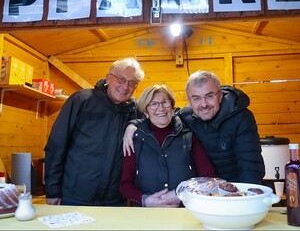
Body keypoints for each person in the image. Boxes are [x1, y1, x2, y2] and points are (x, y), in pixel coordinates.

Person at [123, 70, 265, 185]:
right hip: (204, 191)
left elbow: (250, 165)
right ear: (189, 101)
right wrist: (133, 125)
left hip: (237, 188)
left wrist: (246, 197)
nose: (203, 104)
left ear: (220, 95)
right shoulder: (186, 116)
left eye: (209, 96)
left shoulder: (241, 117)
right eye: (196, 98)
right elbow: (160, 117)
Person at [44, 57, 145, 206]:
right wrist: (52, 190)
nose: (125, 87)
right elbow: (56, 145)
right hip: (76, 196)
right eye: (121, 79)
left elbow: (161, 116)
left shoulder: (134, 111)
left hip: (115, 200)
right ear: (109, 78)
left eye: (132, 83)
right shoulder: (81, 100)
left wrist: (134, 123)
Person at [120, 84, 216, 207]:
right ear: (146, 111)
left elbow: (209, 178)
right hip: (146, 215)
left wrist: (182, 194)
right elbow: (125, 185)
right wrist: (146, 200)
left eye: (165, 102)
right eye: (154, 104)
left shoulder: (189, 136)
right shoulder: (135, 139)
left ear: (172, 106)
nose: (161, 108)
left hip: (186, 210)